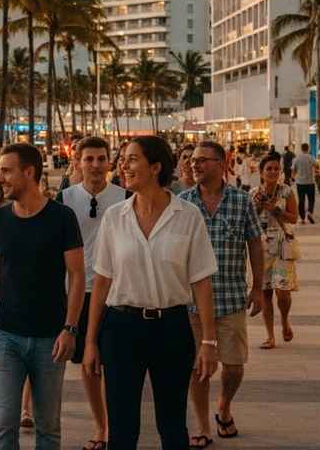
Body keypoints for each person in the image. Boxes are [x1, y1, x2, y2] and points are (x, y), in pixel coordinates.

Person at [83, 136, 218, 450]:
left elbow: (201, 282)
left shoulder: (187, 216)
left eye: (132, 159)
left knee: (172, 426)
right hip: (120, 329)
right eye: (123, 159)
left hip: (171, 328)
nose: (123, 166)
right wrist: (90, 341)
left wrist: (209, 341)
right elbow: (101, 281)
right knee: (122, 427)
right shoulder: (115, 218)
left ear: (156, 167)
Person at [0, 143, 85, 450]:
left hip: (51, 338)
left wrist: (70, 328)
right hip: (5, 335)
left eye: (6, 171)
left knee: (48, 427)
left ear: (29, 172)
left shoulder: (62, 217)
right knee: (4, 422)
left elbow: (76, 275)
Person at [180, 140, 263, 445]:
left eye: (202, 160)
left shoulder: (242, 201)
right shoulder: (184, 203)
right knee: (197, 369)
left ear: (221, 162)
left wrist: (258, 288)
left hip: (231, 299)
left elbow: (254, 242)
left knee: (234, 366)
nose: (195, 165)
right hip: (191, 304)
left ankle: (224, 405)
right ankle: (202, 425)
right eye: (192, 161)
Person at [57, 137, 128, 450]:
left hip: (120, 294)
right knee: (88, 365)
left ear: (109, 162)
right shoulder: (64, 199)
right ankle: (101, 426)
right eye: (89, 159)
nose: (96, 165)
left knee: (117, 364)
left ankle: (118, 426)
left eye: (101, 159)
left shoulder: (126, 197)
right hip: (79, 293)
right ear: (78, 163)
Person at [252, 154, 299, 349]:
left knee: (282, 292)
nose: (273, 172)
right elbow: (249, 221)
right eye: (269, 169)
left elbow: (294, 218)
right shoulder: (253, 193)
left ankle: (285, 321)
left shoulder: (287, 191)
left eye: (276, 169)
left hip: (282, 245)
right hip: (261, 247)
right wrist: (257, 205)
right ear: (261, 172)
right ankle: (270, 335)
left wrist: (274, 209)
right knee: (266, 293)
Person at [292, 143, 317, 224]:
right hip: (310, 182)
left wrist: (292, 178)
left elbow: (293, 170)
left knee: (301, 200)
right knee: (311, 199)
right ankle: (310, 212)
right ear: (308, 148)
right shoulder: (311, 157)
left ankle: (302, 218)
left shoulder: (297, 158)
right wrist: (315, 171)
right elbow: (317, 165)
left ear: (301, 149)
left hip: (300, 183)